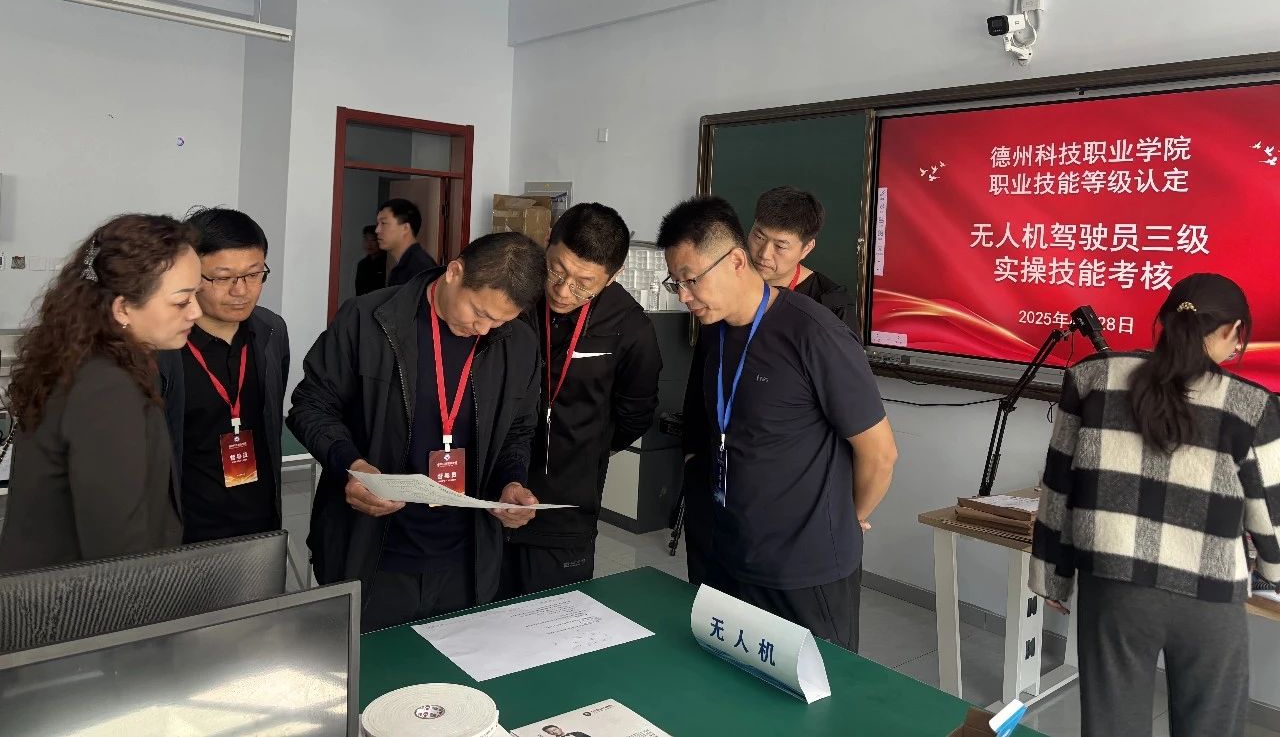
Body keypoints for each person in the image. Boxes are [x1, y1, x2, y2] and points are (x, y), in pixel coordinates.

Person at [1030, 273, 1280, 737]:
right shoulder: (1252, 405)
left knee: (1112, 726)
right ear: (1233, 331)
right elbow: (1271, 519)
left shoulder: (1091, 377)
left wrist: (1052, 578)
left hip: (1114, 591)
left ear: (1162, 321)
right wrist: (1273, 573)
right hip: (1210, 600)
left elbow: (1057, 485)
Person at [658, 196, 897, 652]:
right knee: (728, 683)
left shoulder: (815, 333)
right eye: (676, 282)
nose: (684, 295)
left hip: (802, 571)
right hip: (729, 554)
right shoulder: (716, 330)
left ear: (735, 262)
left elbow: (880, 453)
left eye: (691, 280)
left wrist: (848, 518)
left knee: (810, 689)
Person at [288, 232, 546, 632]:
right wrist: (351, 465)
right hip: (374, 552)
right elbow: (311, 405)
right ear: (454, 273)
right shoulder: (369, 320)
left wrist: (510, 482)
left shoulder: (519, 344)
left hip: (466, 560)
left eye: (499, 320)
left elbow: (518, 430)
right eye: (479, 312)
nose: (484, 328)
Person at [0, 215, 202, 571]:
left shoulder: (87, 358)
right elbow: (116, 546)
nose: (196, 312)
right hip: (77, 598)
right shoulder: (106, 388)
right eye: (181, 301)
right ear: (122, 308)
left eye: (196, 294)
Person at [502, 203, 662, 596]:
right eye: (556, 270)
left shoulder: (630, 327)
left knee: (549, 618)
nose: (562, 290)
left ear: (613, 275)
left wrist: (584, 450)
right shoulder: (517, 295)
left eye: (583, 284)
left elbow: (635, 414)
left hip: (564, 510)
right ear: (547, 242)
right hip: (491, 494)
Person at [156, 208, 290, 544]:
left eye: (254, 274)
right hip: (187, 530)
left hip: (259, 524)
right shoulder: (163, 346)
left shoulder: (272, 331)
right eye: (222, 277)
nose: (241, 291)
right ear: (191, 273)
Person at [746, 186, 859, 333]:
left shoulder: (832, 305)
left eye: (780, 246)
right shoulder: (728, 278)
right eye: (759, 237)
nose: (764, 254)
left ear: (807, 248)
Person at [377, 198, 438, 287]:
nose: (377, 230)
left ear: (405, 228)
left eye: (384, 223)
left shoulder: (420, 269)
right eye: (378, 224)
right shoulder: (405, 266)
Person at [355, 224, 387, 295]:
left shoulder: (387, 262)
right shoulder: (362, 264)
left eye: (373, 240)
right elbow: (359, 292)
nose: (369, 244)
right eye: (366, 240)